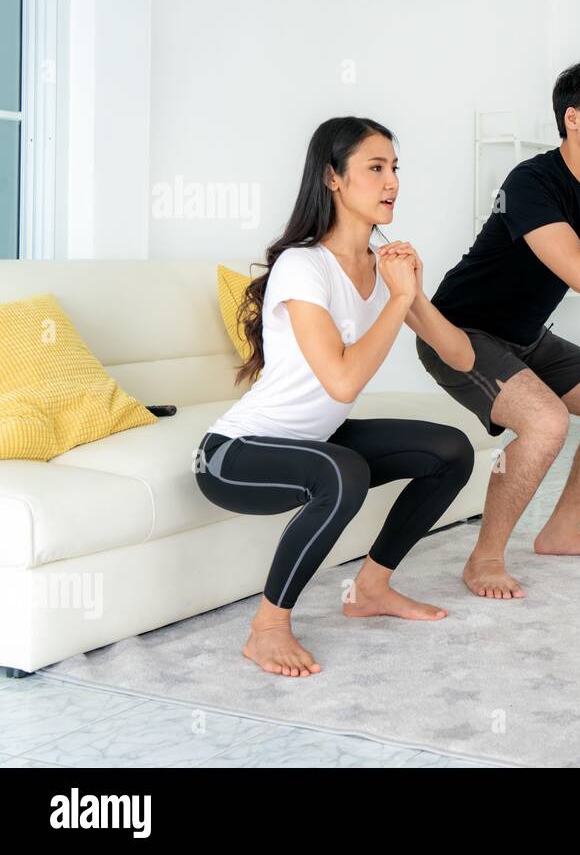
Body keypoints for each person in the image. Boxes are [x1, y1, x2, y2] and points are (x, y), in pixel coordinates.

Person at [195, 116, 477, 677]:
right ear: (333, 178)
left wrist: (411, 291)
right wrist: (398, 302)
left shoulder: (385, 264)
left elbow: (462, 357)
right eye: (375, 168)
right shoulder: (304, 266)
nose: (391, 181)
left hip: (316, 444)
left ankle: (371, 589)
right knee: (342, 470)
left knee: (452, 449)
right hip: (236, 455)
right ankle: (267, 627)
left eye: (394, 168)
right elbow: (342, 381)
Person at [413, 58, 580, 600]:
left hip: (526, 335)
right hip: (461, 334)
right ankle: (484, 559)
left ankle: (562, 530)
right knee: (545, 422)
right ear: (574, 119)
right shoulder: (531, 182)